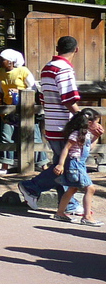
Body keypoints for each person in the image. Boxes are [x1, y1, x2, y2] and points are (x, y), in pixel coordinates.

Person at [19, 36, 84, 215]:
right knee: (68, 166)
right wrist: (82, 117)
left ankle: (67, 203)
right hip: (65, 125)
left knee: (60, 164)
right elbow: (69, 97)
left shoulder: (48, 67)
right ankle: (32, 187)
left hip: (51, 123)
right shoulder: (65, 69)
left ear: (57, 48)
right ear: (76, 50)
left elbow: (42, 96)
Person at [51, 109, 102, 227]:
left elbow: (89, 147)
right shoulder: (76, 134)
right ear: (89, 123)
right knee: (90, 188)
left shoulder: (87, 134)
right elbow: (66, 148)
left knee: (72, 189)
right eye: (97, 122)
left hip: (80, 165)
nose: (98, 125)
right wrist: (60, 164)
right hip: (75, 164)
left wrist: (96, 137)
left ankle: (60, 213)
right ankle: (87, 216)